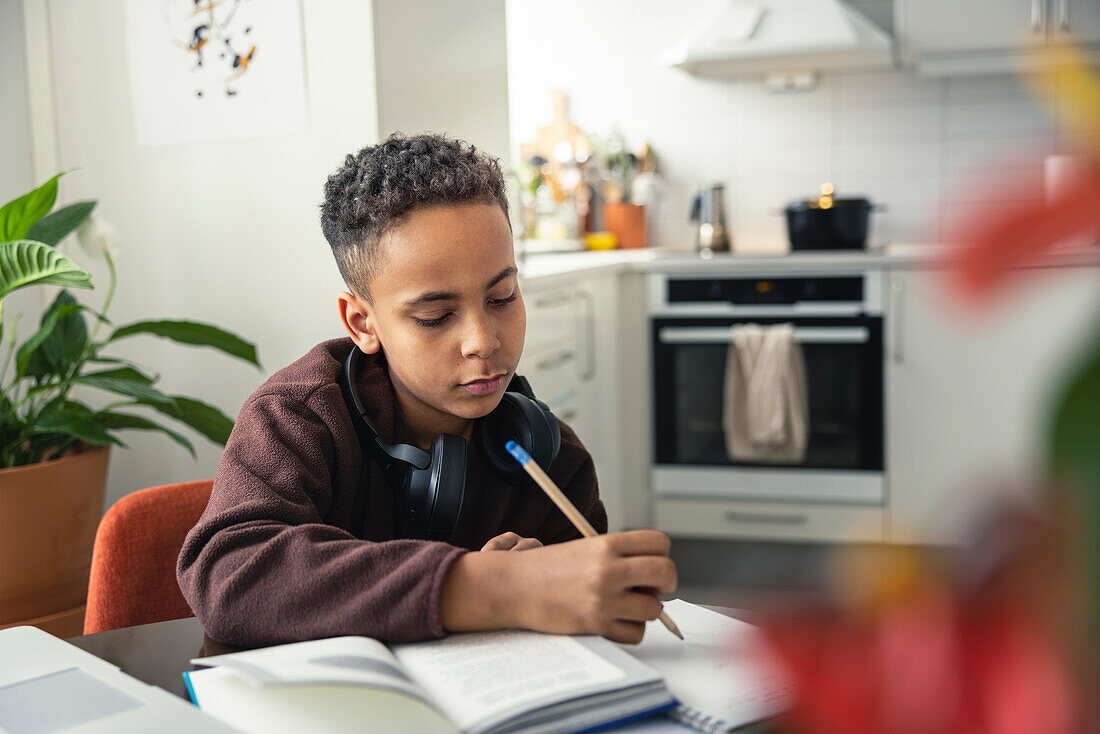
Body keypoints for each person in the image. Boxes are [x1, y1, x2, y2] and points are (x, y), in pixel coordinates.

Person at [177, 133, 677, 648]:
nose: (483, 342)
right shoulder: (298, 418)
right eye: (435, 317)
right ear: (362, 323)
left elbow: (589, 638)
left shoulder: (550, 456)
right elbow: (228, 574)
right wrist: (489, 588)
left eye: (503, 297)